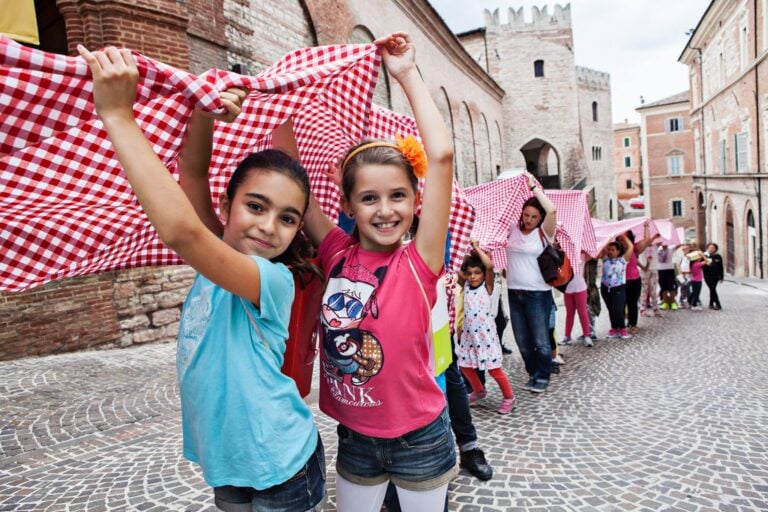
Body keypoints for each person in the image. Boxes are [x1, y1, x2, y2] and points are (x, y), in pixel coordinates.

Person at [78, 46, 327, 511]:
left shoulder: (272, 280)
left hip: (282, 466)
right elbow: (191, 175)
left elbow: (181, 231)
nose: (269, 227)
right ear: (228, 204)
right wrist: (204, 107)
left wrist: (117, 115)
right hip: (229, 464)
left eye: (288, 218)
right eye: (256, 206)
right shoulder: (223, 252)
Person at [301, 33, 457, 511]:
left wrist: (407, 74)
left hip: (420, 439)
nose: (385, 210)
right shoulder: (334, 253)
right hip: (356, 438)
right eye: (369, 198)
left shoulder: (419, 260)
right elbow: (299, 187)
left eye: (397, 196)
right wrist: (283, 103)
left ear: (415, 203)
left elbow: (443, 156)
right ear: (348, 204)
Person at [504, 173, 558, 394]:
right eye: (526, 215)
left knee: (540, 340)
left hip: (537, 293)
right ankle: (533, 372)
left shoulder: (544, 233)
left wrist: (533, 188)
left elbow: (552, 211)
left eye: (534, 216)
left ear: (540, 218)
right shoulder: (512, 230)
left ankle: (543, 376)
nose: (528, 219)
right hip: (514, 292)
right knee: (523, 341)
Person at [457, 241, 516, 414]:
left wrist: (476, 247)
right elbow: (460, 270)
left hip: (485, 336)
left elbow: (489, 266)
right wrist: (466, 252)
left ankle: (509, 397)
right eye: (470, 273)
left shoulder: (487, 287)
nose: (473, 276)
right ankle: (479, 391)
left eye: (477, 273)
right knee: (464, 365)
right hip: (469, 336)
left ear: (483, 274)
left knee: (494, 370)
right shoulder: (466, 286)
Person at [624, 222, 658, 334]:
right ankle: (622, 323)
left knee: (632, 303)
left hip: (634, 280)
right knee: (621, 304)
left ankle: (633, 324)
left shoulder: (634, 249)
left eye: (624, 235)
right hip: (620, 281)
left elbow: (647, 239)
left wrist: (646, 227)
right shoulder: (616, 250)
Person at [599, 235, 633, 339]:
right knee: (611, 310)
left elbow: (631, 246)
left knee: (618, 309)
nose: (610, 251)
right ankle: (614, 328)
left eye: (613, 250)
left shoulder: (623, 260)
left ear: (618, 251)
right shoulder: (605, 259)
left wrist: (623, 236)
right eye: (609, 249)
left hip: (618, 288)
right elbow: (601, 248)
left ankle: (622, 329)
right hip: (605, 288)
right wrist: (609, 237)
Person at [561, 253, 593, 347]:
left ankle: (587, 336)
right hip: (568, 289)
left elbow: (593, 254)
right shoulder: (563, 256)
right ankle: (567, 336)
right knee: (569, 314)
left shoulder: (581, 255)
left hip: (580, 288)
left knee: (582, 313)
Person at [638, 239, 662, 317]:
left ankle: (655, 309)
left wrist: (656, 236)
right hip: (644, 270)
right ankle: (642, 309)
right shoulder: (641, 246)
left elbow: (661, 239)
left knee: (653, 291)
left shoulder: (655, 246)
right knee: (644, 290)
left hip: (654, 269)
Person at [657, 243, 678, 310]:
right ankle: (665, 302)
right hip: (660, 270)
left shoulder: (671, 247)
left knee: (671, 286)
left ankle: (673, 302)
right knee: (663, 287)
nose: (664, 244)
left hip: (670, 269)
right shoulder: (657, 248)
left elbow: (678, 245)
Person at [703, 242, 724, 309]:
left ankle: (715, 304)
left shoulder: (718, 256)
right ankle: (714, 303)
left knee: (712, 289)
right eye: (709, 248)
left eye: (712, 248)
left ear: (715, 249)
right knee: (712, 288)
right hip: (707, 275)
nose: (711, 249)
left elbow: (721, 266)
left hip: (716, 276)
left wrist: (722, 276)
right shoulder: (705, 256)